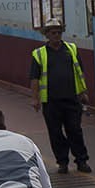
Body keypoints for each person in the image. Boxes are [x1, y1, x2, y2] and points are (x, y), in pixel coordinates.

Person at [29, 21, 91, 175]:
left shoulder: (71, 49)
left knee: (75, 130)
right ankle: (62, 162)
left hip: (72, 99)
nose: (56, 35)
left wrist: (83, 92)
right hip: (51, 102)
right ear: (47, 35)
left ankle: (81, 161)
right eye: (53, 33)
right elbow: (34, 78)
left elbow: (80, 72)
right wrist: (35, 98)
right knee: (55, 133)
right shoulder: (39, 54)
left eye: (59, 32)